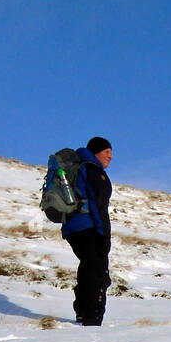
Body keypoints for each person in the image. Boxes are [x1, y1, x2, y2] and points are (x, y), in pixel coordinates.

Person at [61, 136, 113, 326]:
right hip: (88, 227)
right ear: (96, 152)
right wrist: (104, 235)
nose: (111, 156)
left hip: (72, 227)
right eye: (107, 152)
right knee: (98, 272)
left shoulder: (79, 166)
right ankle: (92, 319)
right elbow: (98, 204)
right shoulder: (92, 169)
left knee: (88, 268)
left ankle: (82, 313)